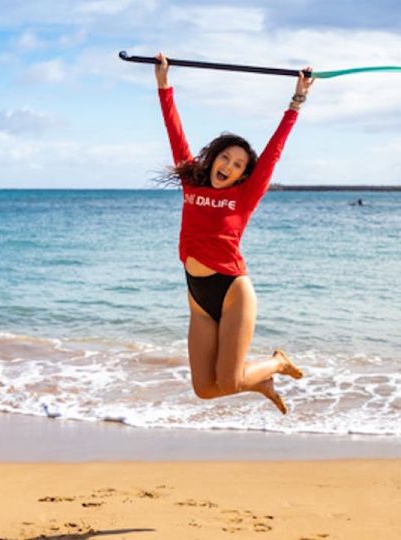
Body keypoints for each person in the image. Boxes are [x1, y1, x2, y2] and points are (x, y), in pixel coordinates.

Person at [155, 52, 310, 414]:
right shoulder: (191, 182)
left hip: (232, 291)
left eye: (238, 165)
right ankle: (261, 382)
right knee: (205, 390)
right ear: (214, 159)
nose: (229, 166)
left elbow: (273, 154)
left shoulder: (244, 196)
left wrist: (297, 100)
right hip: (198, 298)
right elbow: (174, 131)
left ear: (243, 176)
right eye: (226, 158)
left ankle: (276, 363)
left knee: (230, 380)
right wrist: (164, 84)